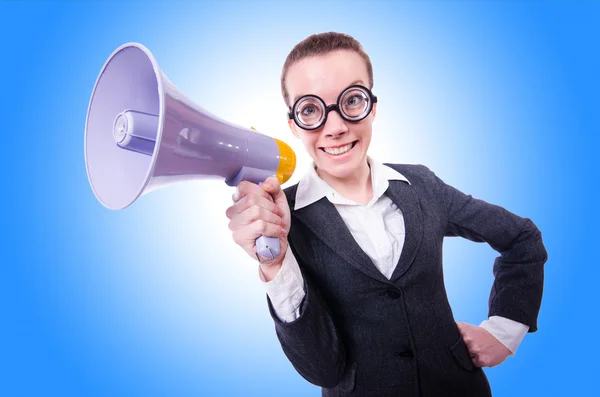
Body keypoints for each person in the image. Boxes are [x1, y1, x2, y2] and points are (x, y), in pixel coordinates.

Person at [225, 32, 547, 397]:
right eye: (311, 109)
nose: (335, 127)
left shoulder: (422, 185)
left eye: (352, 100)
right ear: (294, 124)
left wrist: (504, 330)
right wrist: (276, 262)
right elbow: (322, 368)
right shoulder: (284, 219)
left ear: (373, 106)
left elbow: (522, 238)